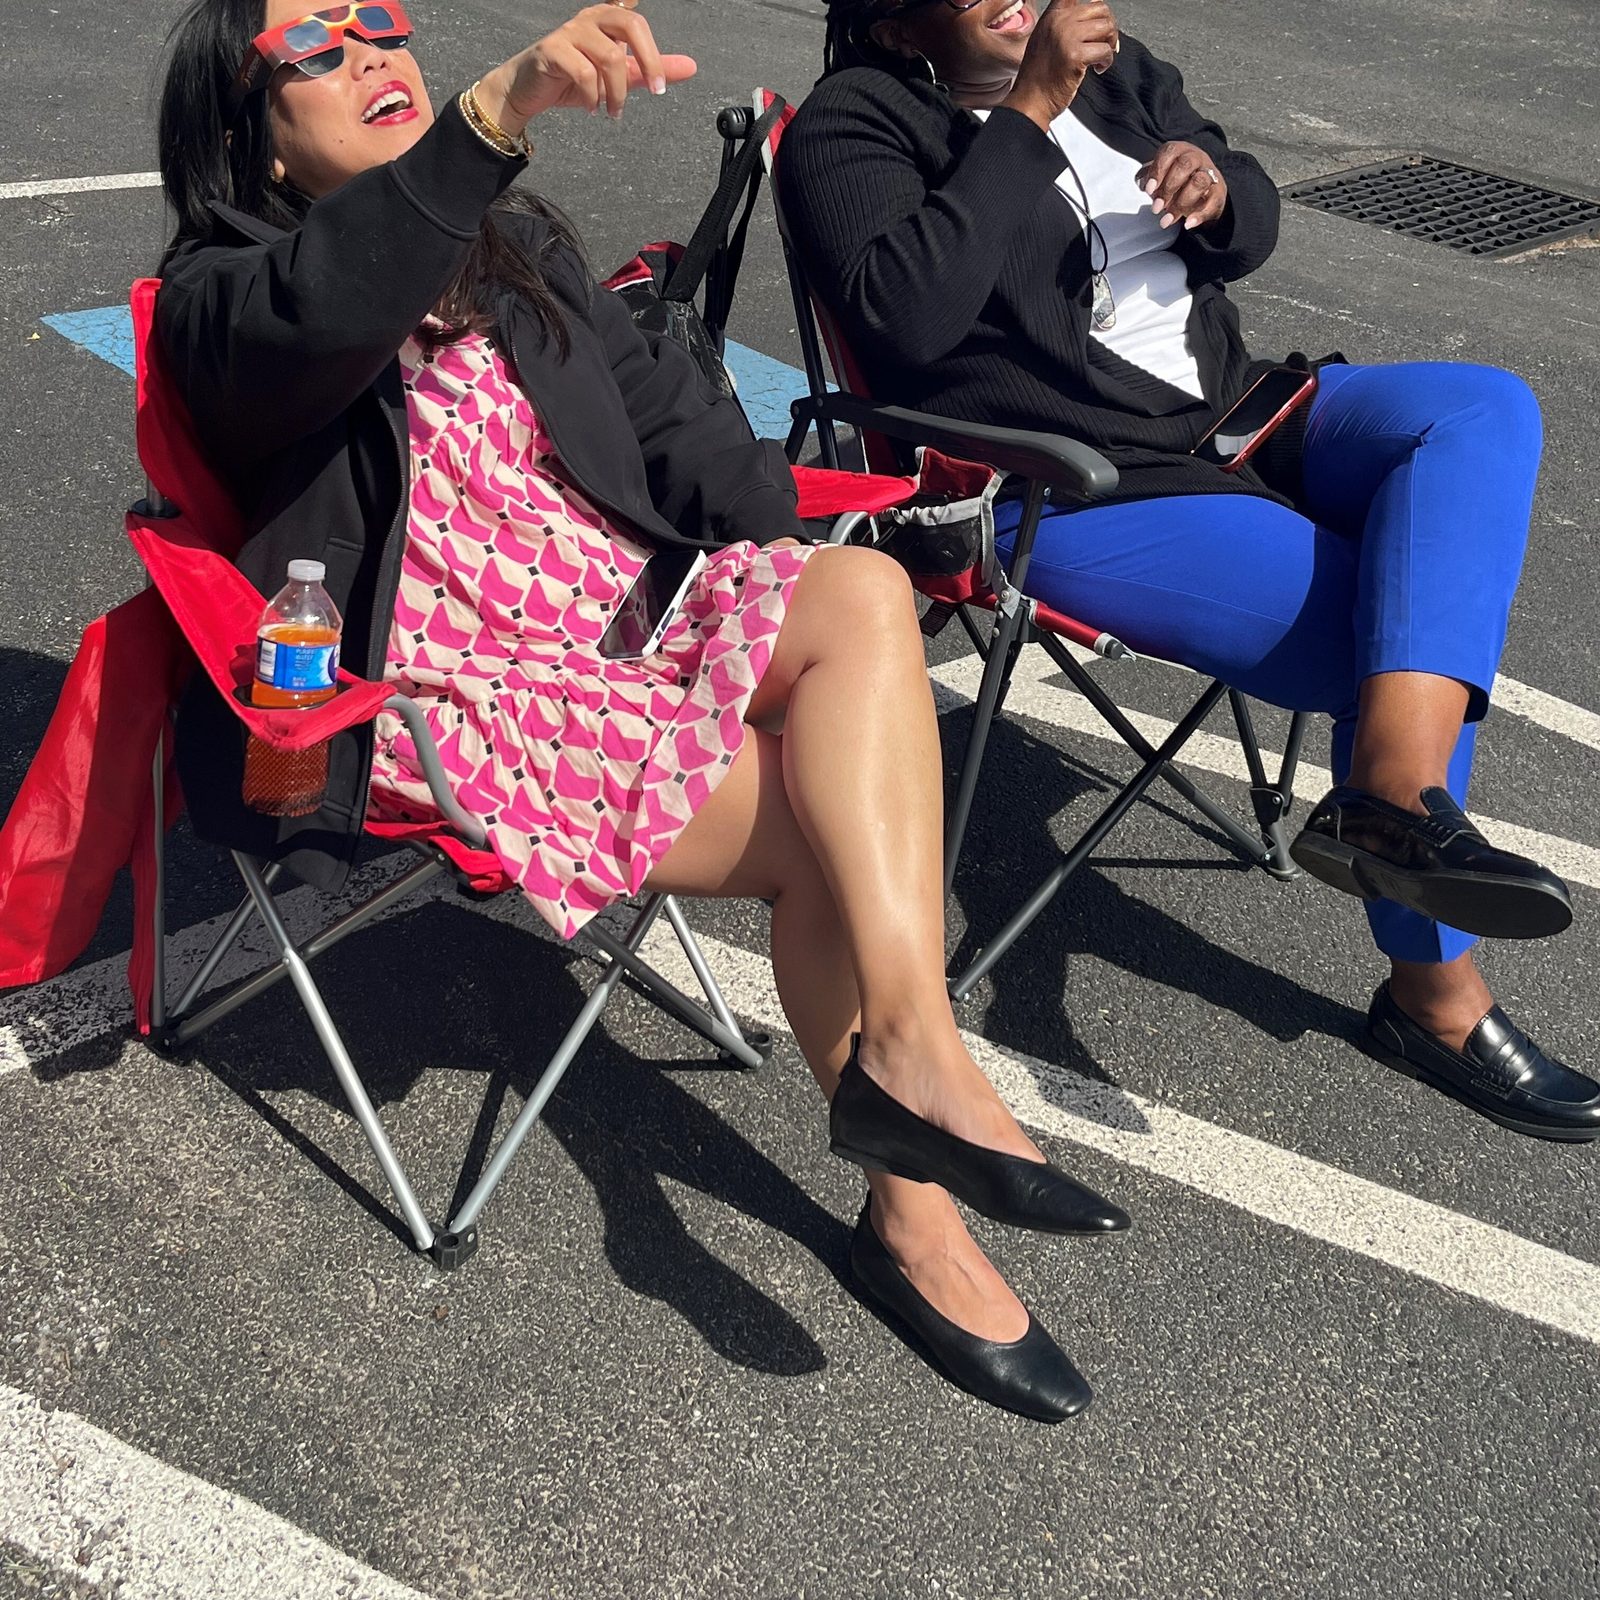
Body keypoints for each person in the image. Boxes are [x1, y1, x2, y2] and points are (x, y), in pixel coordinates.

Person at [154, 0, 1134, 1422]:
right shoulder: (224, 299)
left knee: (854, 600)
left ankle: (912, 1044)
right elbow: (324, 315)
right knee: (818, 826)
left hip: (625, 621)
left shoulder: (511, 245)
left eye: (380, 20)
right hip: (455, 698)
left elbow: (669, 421)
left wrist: (785, 543)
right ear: (246, 128)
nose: (371, 52)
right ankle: (915, 1221)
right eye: (316, 42)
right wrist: (484, 120)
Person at [778, 0, 1600, 1142]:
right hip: (1070, 481)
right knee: (1395, 623)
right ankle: (1436, 995)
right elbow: (904, 321)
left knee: (1479, 411)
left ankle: (1386, 798)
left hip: (1236, 416)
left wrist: (1214, 188)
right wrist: (1026, 113)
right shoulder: (851, 125)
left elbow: (1250, 217)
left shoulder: (1119, 74)